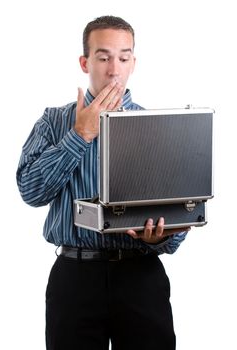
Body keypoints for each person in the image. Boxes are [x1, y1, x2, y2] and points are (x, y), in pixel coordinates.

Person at [17, 15, 189, 350]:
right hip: (74, 277)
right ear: (85, 62)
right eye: (104, 57)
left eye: (123, 58)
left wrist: (162, 237)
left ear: (133, 63)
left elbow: (175, 227)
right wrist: (80, 134)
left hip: (140, 277)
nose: (114, 69)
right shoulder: (53, 122)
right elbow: (31, 191)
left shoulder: (156, 127)